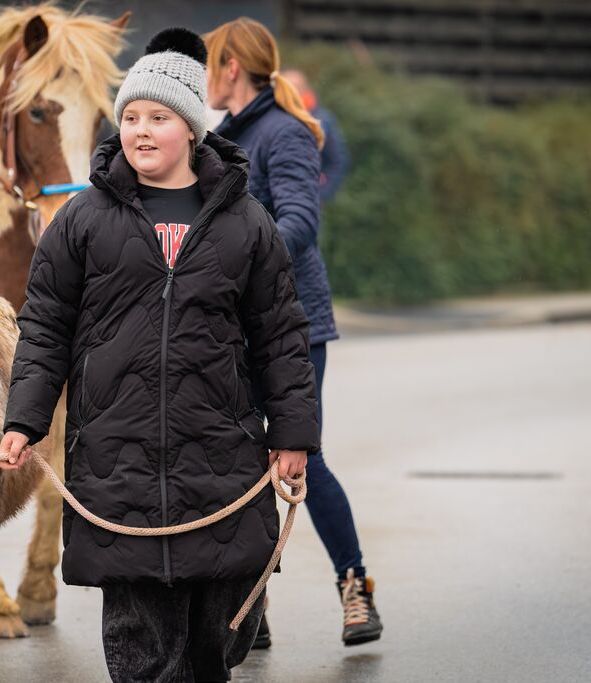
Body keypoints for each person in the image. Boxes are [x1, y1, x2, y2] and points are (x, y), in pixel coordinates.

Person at [0, 28, 319, 682]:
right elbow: (45, 327)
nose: (141, 130)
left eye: (159, 118)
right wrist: (24, 419)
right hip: (119, 464)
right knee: (141, 649)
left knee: (217, 645)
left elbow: (280, 335)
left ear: (192, 129)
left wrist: (292, 435)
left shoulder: (246, 223)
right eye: (131, 117)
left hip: (222, 462)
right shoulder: (83, 221)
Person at [205, 17, 384, 647]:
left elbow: (300, 222)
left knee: (301, 458)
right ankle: (252, 604)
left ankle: (355, 587)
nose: (204, 77)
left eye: (210, 64)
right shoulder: (222, 137)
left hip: (291, 324)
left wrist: (231, 261)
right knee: (237, 462)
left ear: (232, 68)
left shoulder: (285, 132)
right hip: (232, 327)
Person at [282, 68, 350, 203]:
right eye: (285, 87)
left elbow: (337, 161)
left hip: (305, 200)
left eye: (295, 87)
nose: (291, 92)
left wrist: (321, 195)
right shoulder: (269, 116)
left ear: (305, 88)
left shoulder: (322, 120)